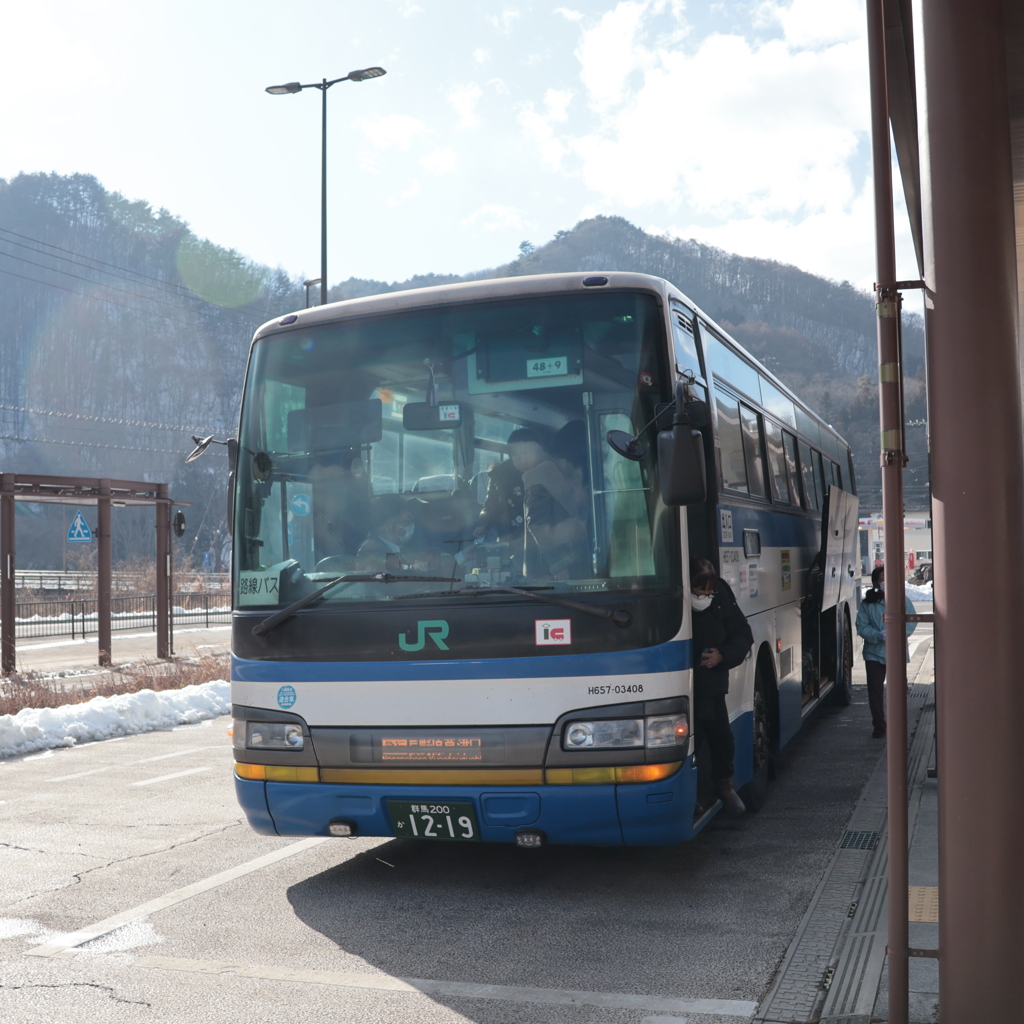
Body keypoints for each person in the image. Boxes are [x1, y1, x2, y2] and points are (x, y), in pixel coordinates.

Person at [690, 557, 754, 815]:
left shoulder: (722, 599)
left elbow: (742, 635)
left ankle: (723, 786)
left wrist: (723, 655)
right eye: (700, 590)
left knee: (721, 740)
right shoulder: (673, 599)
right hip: (680, 685)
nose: (705, 595)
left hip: (712, 683)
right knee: (689, 744)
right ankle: (691, 796)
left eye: (710, 590)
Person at [856, 566, 917, 738]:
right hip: (874, 653)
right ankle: (879, 725)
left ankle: (898, 723)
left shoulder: (901, 600)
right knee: (875, 690)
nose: (885, 582)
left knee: (899, 689)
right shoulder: (867, 603)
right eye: (882, 579)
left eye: (888, 578)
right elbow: (861, 626)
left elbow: (911, 620)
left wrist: (897, 634)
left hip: (896, 651)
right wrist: (878, 635)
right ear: (876, 582)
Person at [473, 428, 551, 543]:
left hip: (544, 538)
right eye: (517, 457)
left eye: (527, 454)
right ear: (510, 456)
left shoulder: (548, 473)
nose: (523, 461)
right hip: (510, 538)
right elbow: (491, 505)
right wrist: (483, 524)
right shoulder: (500, 476)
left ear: (537, 453)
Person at [357, 494, 417, 571]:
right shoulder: (369, 549)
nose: (411, 525)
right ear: (392, 528)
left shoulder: (404, 545)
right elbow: (386, 565)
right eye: (407, 523)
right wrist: (411, 566)